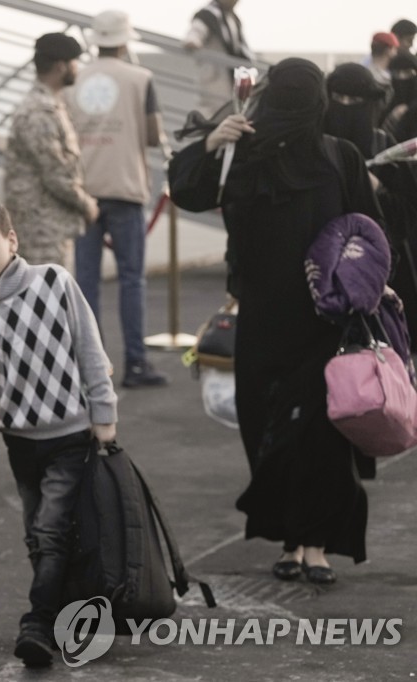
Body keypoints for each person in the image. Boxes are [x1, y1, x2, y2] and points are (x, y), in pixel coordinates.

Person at [168, 58, 378, 584]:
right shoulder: (243, 155)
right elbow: (188, 192)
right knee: (270, 432)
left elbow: (369, 232)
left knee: (321, 433)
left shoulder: (340, 157)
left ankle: (316, 545)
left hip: (322, 323)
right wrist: (214, 142)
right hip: (265, 320)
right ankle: (292, 540)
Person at [0, 194, 116, 667]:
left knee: (50, 531)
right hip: (21, 443)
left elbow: (90, 350)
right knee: (40, 535)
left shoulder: (54, 282)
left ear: (11, 239)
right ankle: (72, 616)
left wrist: (104, 417)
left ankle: (38, 622)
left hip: (71, 436)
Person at [68, 10, 168, 389]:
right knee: (131, 279)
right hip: (125, 187)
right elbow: (154, 135)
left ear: (96, 40)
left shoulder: (74, 77)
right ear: (125, 40)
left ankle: (94, 366)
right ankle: (136, 363)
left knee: (87, 282)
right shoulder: (141, 78)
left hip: (84, 190)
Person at [325, 63, 417, 358]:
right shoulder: (321, 142)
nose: (346, 108)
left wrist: (378, 189)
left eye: (355, 101)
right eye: (338, 100)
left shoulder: (381, 143)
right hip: (328, 263)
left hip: (381, 263)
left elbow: (407, 206)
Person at [4, 32, 98, 267]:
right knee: (45, 299)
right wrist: (87, 205)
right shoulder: (38, 112)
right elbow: (56, 173)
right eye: (74, 63)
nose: (77, 68)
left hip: (48, 226)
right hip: (40, 232)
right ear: (60, 66)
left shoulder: (50, 105)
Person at [183, 0, 253, 115]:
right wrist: (193, 41)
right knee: (213, 116)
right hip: (214, 78)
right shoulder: (208, 14)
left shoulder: (233, 19)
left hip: (232, 80)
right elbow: (196, 32)